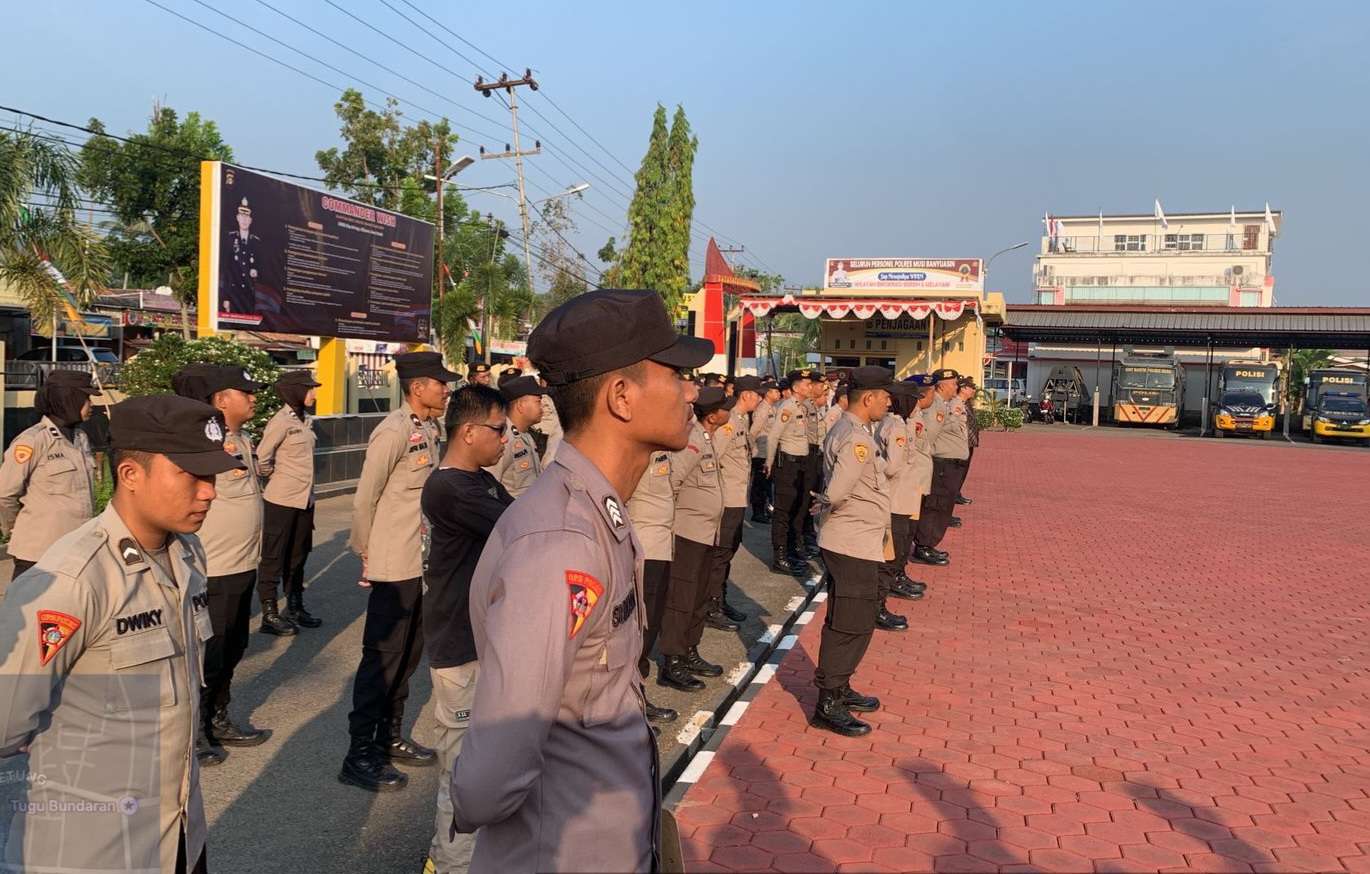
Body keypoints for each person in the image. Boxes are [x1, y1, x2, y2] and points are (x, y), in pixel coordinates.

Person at [450, 288, 711, 873]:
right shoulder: (561, 545)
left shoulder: (599, 515)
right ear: (621, 396)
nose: (692, 391)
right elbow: (489, 777)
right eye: (676, 375)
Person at [0, 393, 242, 873]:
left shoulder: (188, 554)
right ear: (131, 475)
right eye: (192, 475)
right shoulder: (73, 581)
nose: (210, 491)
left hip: (177, 835)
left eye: (212, 476)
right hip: (91, 851)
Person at [341, 351, 457, 792]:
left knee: (407, 659)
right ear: (417, 387)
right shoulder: (391, 432)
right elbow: (364, 498)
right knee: (382, 662)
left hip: (420, 564)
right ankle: (359, 755)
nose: (446, 389)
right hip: (394, 564)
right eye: (440, 383)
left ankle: (389, 738)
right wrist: (368, 555)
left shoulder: (428, 429)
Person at [420, 384, 515, 874]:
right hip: (460, 648)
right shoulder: (451, 487)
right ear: (470, 431)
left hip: (485, 640)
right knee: (461, 770)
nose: (506, 439)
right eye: (500, 429)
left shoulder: (480, 480)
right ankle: (450, 863)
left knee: (490, 762)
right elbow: (520, 527)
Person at [171, 363, 271, 766]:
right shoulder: (200, 442)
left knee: (233, 646)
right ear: (219, 400)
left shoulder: (241, 438)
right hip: (215, 566)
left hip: (244, 562)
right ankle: (194, 730)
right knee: (207, 652)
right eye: (244, 392)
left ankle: (218, 716)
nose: (253, 398)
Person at [811, 366, 893, 737]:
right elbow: (840, 490)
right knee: (850, 622)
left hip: (855, 539)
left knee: (852, 618)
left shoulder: (854, 431)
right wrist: (825, 505)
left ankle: (839, 686)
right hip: (851, 541)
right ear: (869, 398)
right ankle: (828, 700)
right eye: (885, 396)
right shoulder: (856, 438)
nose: (889, 402)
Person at [656, 386, 731, 691]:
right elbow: (672, 483)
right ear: (713, 416)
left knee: (700, 595)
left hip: (706, 532)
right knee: (682, 598)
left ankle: (690, 649)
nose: (731, 411)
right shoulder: (692, 441)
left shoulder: (707, 438)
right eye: (726, 408)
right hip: (688, 533)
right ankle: (673, 660)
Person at [0, 369, 100, 578]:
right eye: (86, 398)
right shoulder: (32, 441)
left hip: (77, 550)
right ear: (68, 400)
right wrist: (16, 529)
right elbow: (5, 494)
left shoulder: (80, 438)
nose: (91, 404)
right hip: (39, 553)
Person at [256, 369, 323, 632]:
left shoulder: (306, 420)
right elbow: (263, 459)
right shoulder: (281, 421)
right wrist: (278, 479)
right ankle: (269, 613)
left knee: (298, 556)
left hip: (305, 500)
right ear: (295, 390)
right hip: (281, 500)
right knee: (273, 556)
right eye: (309, 388)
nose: (314, 393)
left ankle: (295, 607)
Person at [625, 445, 681, 725]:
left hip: (661, 542)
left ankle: (638, 697)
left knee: (651, 623)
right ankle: (630, 703)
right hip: (644, 543)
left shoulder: (661, 448)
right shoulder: (634, 450)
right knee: (639, 627)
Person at [706, 375, 764, 629]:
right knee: (719, 555)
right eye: (757, 395)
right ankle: (711, 605)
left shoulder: (740, 419)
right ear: (746, 395)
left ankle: (721, 599)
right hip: (727, 498)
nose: (760, 399)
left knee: (728, 552)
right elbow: (713, 457)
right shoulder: (729, 422)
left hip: (738, 497)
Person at [911, 369, 969, 566]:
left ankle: (929, 543)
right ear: (942, 385)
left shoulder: (943, 404)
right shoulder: (934, 406)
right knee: (935, 506)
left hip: (950, 464)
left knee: (943, 506)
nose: (956, 387)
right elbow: (927, 438)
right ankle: (924, 545)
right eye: (953, 383)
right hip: (942, 464)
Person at [765, 370, 816, 574]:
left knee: (796, 509)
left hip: (799, 465)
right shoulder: (787, 407)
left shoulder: (801, 406)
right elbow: (772, 437)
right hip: (787, 464)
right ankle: (780, 557)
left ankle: (791, 552)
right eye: (806, 384)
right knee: (783, 513)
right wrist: (769, 462)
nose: (810, 387)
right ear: (796, 388)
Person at [486, 375, 546, 498]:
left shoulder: (527, 435)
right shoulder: (502, 438)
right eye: (538, 401)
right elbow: (489, 486)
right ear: (520, 406)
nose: (543, 406)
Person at [800, 371, 828, 557]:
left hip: (815, 455)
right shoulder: (801, 406)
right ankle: (801, 539)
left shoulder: (812, 406)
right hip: (804, 456)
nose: (823, 388)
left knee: (810, 499)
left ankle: (808, 534)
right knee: (802, 500)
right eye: (820, 385)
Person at [748, 378, 780, 523]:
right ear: (768, 393)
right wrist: (750, 449)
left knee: (766, 484)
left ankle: (764, 510)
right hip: (760, 452)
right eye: (775, 391)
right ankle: (757, 512)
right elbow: (753, 431)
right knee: (760, 485)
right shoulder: (763, 409)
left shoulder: (772, 408)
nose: (778, 394)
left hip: (768, 452)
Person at [223, 196, 259, 314]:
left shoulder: (256, 242)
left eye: (247, 216)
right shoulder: (230, 238)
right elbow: (226, 271)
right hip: (233, 293)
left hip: (249, 294)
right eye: (242, 216)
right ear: (237, 218)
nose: (244, 220)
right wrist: (226, 297)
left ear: (251, 220)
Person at [956, 376, 980, 508]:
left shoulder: (967, 403)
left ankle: (957, 493)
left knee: (963, 470)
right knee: (958, 471)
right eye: (971, 387)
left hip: (969, 443)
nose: (974, 390)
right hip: (960, 444)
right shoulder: (957, 404)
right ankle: (954, 494)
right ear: (963, 388)